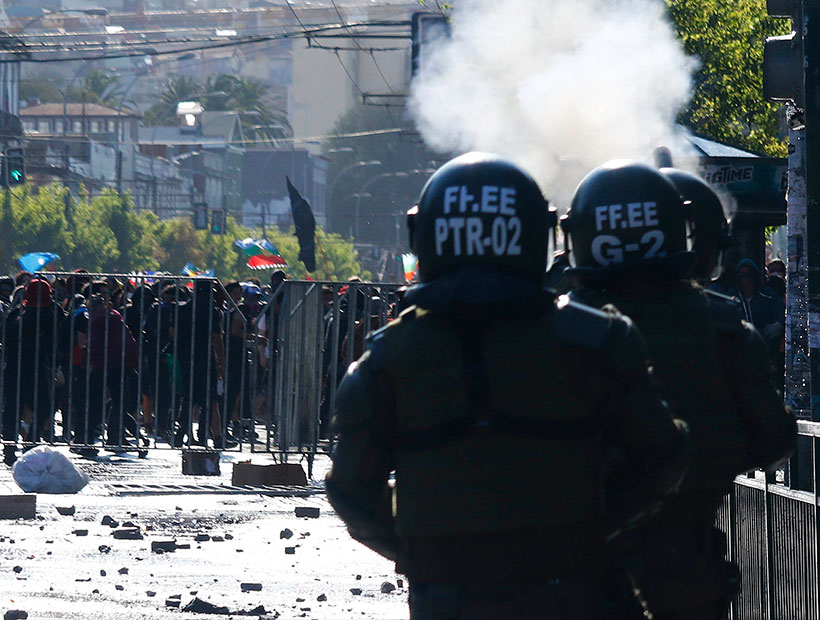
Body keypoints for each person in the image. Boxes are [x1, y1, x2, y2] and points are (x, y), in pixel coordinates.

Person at [326, 153, 689, 620]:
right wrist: (593, 531)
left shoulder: (386, 359)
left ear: (426, 238)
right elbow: (664, 456)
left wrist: (427, 550)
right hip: (569, 590)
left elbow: (351, 491)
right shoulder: (598, 340)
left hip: (446, 597)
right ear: (540, 235)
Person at [563, 160, 796, 619]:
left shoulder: (550, 327)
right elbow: (774, 440)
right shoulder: (724, 326)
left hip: (567, 565)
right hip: (682, 558)